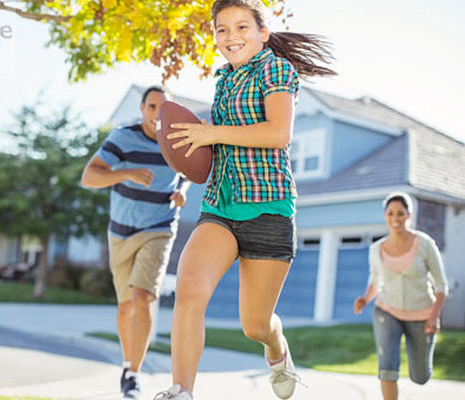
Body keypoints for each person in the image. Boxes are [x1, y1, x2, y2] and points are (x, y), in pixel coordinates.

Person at [152, 1, 335, 399]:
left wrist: (211, 133)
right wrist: (190, 148)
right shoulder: (224, 80)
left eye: (241, 27)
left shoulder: (276, 69)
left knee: (254, 325)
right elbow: (214, 146)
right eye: (221, 30)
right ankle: (181, 390)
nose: (230, 36)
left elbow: (277, 134)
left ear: (262, 33)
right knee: (189, 290)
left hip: (268, 208)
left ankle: (277, 348)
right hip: (219, 206)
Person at [80, 86, 190, 399]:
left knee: (142, 296)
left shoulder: (176, 139)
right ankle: (128, 364)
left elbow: (188, 171)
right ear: (142, 108)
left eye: (163, 108)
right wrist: (125, 173)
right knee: (126, 304)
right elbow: (89, 177)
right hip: (120, 231)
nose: (158, 114)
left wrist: (183, 191)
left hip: (159, 226)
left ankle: (134, 374)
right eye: (152, 107)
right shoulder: (122, 138)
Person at [353, 192, 449, 400]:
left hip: (422, 315)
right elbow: (375, 281)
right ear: (385, 216)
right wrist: (365, 299)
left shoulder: (425, 244)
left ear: (409, 215)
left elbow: (441, 286)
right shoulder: (376, 248)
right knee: (387, 366)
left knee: (420, 376)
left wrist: (434, 317)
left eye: (400, 213)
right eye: (391, 213)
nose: (395, 218)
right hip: (387, 311)